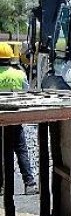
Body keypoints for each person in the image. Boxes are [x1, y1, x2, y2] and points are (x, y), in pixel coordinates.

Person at [0, 42, 37, 196]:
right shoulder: (19, 74)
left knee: (1, 152)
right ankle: (29, 184)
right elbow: (26, 94)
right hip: (16, 118)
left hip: (0, 119)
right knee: (21, 150)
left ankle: (1, 187)